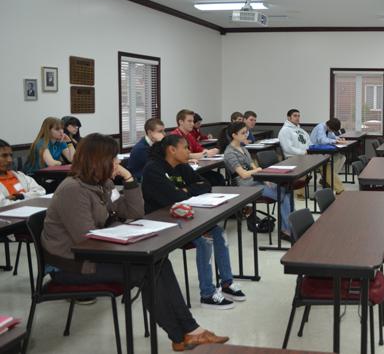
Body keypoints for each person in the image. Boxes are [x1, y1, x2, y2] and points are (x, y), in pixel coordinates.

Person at [40, 133, 229, 351]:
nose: (118, 163)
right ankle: (182, 334)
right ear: (97, 161)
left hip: (94, 254)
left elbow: (134, 211)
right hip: (69, 264)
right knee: (147, 271)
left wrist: (129, 179)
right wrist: (122, 236)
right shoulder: (73, 190)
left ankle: (188, 332)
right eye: (113, 160)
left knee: (159, 262)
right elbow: (86, 240)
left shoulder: (103, 184)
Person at [142, 135, 245, 308]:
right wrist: (184, 191)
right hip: (162, 222)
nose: (190, 152)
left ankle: (227, 283)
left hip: (185, 215)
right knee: (205, 239)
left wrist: (185, 189)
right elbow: (175, 196)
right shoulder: (154, 169)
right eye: (186, 148)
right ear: (172, 150)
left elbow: (205, 184)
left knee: (219, 233)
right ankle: (207, 293)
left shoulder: (181, 166)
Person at [224, 122, 293, 235]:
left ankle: (288, 227)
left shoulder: (243, 148)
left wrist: (264, 178)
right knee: (283, 194)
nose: (246, 135)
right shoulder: (230, 153)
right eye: (243, 133)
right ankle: (287, 229)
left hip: (255, 180)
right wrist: (258, 171)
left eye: (246, 132)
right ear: (234, 135)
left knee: (286, 191)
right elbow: (243, 174)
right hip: (244, 185)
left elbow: (253, 165)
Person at [170, 109, 224, 186]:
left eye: (192, 121)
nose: (192, 124)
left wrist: (209, 151)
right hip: (180, 172)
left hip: (193, 168)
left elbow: (199, 149)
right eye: (189, 121)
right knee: (212, 180)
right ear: (181, 122)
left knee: (218, 177)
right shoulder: (174, 136)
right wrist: (204, 154)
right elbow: (183, 156)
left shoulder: (189, 135)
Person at [0, 139, 45, 207]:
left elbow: (41, 191)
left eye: (11, 155)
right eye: (4, 156)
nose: (10, 160)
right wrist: (29, 197)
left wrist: (19, 196)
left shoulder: (20, 175)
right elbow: (3, 205)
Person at [278, 109, 311, 199]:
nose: (297, 118)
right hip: (292, 157)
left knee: (325, 163)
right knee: (304, 166)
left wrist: (311, 150)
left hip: (305, 155)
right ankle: (298, 194)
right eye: (295, 116)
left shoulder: (301, 130)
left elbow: (309, 142)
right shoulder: (285, 131)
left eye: (298, 116)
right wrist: (303, 152)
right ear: (289, 117)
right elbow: (288, 148)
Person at [310, 117, 348, 195]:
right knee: (327, 166)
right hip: (314, 152)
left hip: (323, 151)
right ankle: (337, 187)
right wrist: (335, 141)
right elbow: (322, 140)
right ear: (329, 126)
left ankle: (325, 179)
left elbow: (332, 137)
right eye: (332, 130)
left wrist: (340, 139)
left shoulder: (328, 128)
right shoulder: (321, 127)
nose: (332, 132)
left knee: (341, 157)